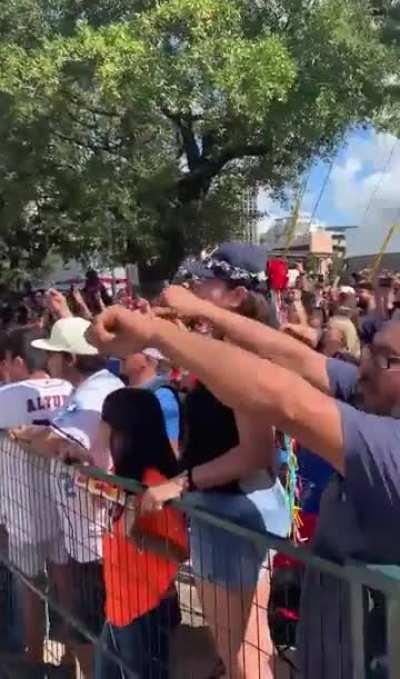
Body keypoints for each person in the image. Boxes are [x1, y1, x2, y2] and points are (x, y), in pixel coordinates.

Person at [87, 290, 400, 679]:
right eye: (369, 350)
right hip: (337, 651)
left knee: (240, 653)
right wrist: (198, 310)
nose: (363, 367)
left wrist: (155, 335)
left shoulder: (392, 447)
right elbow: (296, 357)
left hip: (366, 661)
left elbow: (283, 399)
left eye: (385, 359)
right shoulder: (375, 391)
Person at [139, 244, 289, 679]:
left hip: (231, 509)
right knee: (250, 645)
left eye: (206, 281)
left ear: (236, 297)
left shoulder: (241, 356)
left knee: (240, 654)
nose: (194, 288)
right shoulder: (231, 346)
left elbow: (255, 449)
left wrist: (179, 483)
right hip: (241, 505)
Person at [20, 317, 124, 678]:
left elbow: (53, 442)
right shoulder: (97, 386)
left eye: (53, 356)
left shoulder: (93, 392)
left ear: (70, 358)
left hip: (94, 536)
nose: (48, 363)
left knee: (90, 623)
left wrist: (25, 437)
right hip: (91, 529)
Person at [94, 388, 187, 679]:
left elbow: (180, 551)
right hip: (118, 605)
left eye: (106, 422)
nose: (101, 430)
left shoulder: (153, 483)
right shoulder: (123, 476)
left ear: (125, 430)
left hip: (145, 609)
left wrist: (138, 537)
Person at [0, 327, 72, 662]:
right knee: (66, 587)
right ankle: (73, 655)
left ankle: (34, 659)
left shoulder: (9, 395)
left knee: (30, 591)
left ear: (17, 361)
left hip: (23, 513)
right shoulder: (68, 388)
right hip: (66, 508)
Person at [121, 348, 181, 454]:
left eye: (131, 350)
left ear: (148, 360)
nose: (122, 355)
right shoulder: (122, 391)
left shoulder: (162, 395)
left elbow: (170, 447)